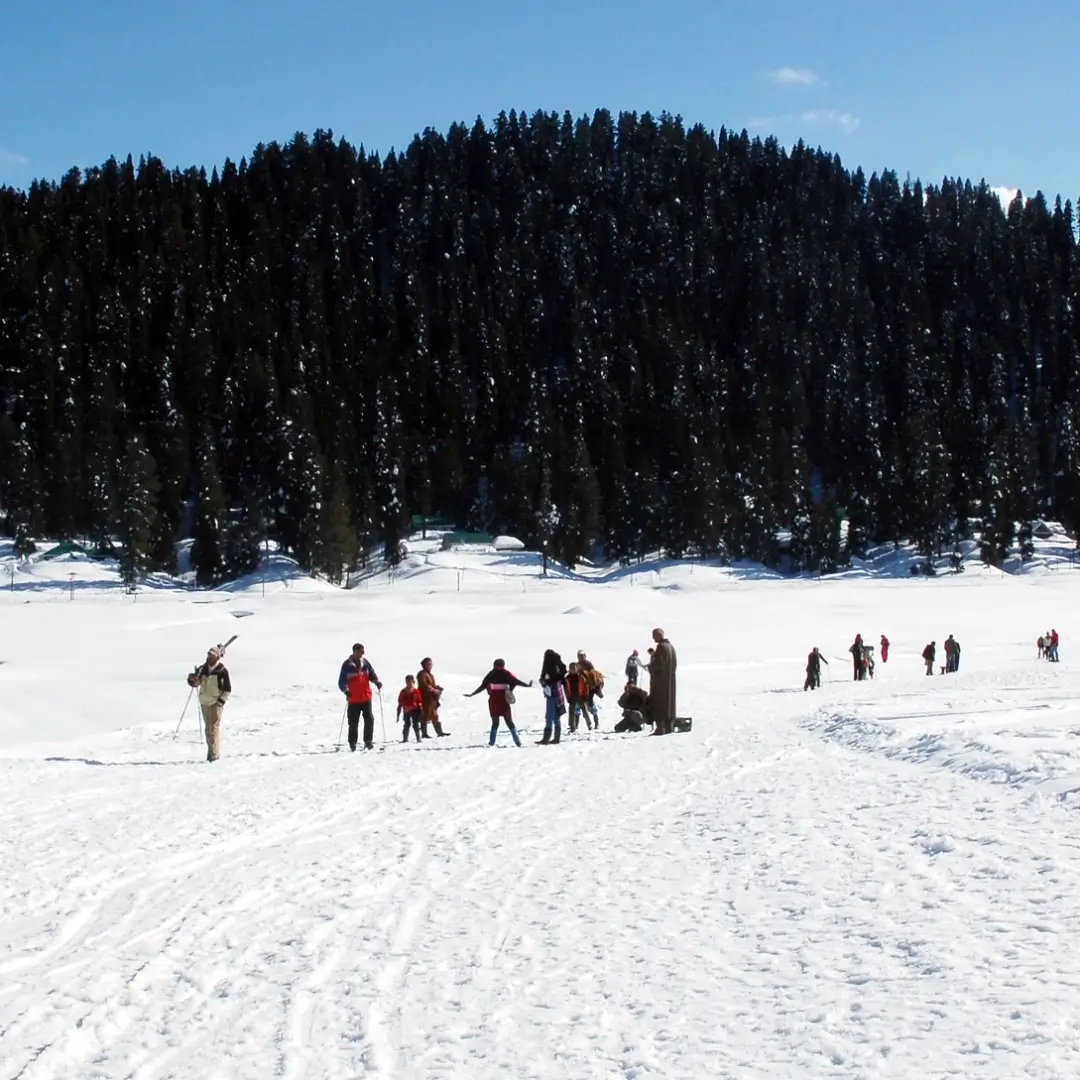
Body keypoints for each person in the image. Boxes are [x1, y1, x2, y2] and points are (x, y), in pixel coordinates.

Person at [465, 659, 532, 747]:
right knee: (509, 722)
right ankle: (518, 742)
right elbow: (516, 681)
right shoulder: (506, 674)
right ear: (503, 665)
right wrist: (526, 685)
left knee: (495, 723)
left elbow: (482, 686)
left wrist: (472, 694)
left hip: (494, 702)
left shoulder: (491, 674)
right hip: (504, 702)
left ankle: (492, 743)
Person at [187, 645, 232, 762]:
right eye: (208, 654)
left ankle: (214, 756)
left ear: (217, 657)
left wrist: (220, 702)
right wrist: (192, 681)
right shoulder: (203, 669)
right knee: (208, 729)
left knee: (213, 729)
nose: (208, 657)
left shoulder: (222, 671)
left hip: (215, 703)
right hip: (204, 702)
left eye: (211, 655)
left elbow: (227, 689)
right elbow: (197, 683)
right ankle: (211, 753)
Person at [337, 643, 383, 751]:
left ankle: (368, 741)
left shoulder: (365, 663)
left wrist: (376, 682)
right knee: (353, 722)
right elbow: (341, 681)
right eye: (361, 651)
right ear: (355, 651)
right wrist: (346, 691)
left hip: (366, 697)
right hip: (353, 698)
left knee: (369, 719)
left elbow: (371, 674)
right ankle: (352, 743)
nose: (363, 653)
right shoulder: (346, 665)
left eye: (363, 651)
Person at [647, 628, 677, 736]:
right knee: (669, 703)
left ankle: (660, 727)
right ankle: (669, 726)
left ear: (659, 635)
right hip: (670, 681)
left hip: (660, 682)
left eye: (654, 635)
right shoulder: (671, 647)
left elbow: (658, 665)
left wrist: (651, 667)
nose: (653, 638)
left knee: (659, 703)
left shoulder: (661, 647)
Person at [538, 649, 568, 744]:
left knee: (550, 715)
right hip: (556, 690)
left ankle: (546, 738)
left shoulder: (550, 665)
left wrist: (544, 681)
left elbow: (546, 676)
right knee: (556, 715)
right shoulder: (558, 664)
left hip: (551, 690)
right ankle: (556, 738)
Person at [417, 657, 448, 737]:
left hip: (432, 699)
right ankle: (424, 734)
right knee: (426, 714)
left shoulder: (430, 675)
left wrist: (437, 688)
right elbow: (424, 685)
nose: (430, 665)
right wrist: (434, 690)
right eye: (428, 664)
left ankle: (439, 732)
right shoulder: (422, 674)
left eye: (431, 664)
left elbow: (432, 685)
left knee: (434, 715)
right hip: (425, 698)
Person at [577, 650, 605, 728]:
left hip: (589, 689)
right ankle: (575, 726)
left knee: (591, 706)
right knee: (577, 707)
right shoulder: (577, 665)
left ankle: (596, 723)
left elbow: (593, 676)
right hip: (580, 690)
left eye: (582, 656)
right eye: (579, 656)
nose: (580, 657)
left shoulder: (588, 664)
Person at [397, 674, 423, 743]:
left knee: (416, 724)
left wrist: (420, 708)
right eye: (407, 682)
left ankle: (418, 738)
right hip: (406, 710)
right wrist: (399, 712)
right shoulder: (403, 691)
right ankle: (405, 738)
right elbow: (400, 701)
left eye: (410, 682)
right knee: (406, 724)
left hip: (415, 710)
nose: (409, 683)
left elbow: (419, 700)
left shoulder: (416, 691)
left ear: (413, 682)